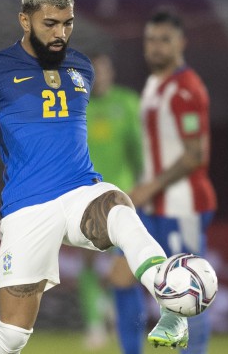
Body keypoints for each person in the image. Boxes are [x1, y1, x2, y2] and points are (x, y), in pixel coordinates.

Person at [0, 0, 198, 352]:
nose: (61, 33)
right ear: (25, 20)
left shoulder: (82, 67)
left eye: (68, 23)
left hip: (80, 191)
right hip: (27, 206)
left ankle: (171, 303)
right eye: (50, 24)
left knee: (118, 207)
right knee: (12, 335)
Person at [123, 10, 218, 354]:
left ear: (181, 43)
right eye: (151, 39)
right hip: (155, 205)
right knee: (123, 275)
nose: (156, 46)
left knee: (189, 291)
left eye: (165, 39)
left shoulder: (187, 88)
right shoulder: (154, 85)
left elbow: (195, 154)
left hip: (183, 205)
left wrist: (149, 186)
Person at [83, 52, 145, 352]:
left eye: (104, 70)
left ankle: (116, 316)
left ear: (111, 72)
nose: (100, 76)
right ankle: (95, 324)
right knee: (90, 262)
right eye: (94, 71)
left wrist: (143, 189)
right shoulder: (78, 106)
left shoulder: (128, 102)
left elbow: (140, 152)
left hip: (123, 198)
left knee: (121, 265)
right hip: (85, 196)